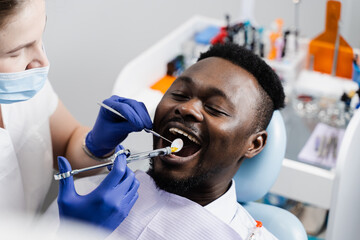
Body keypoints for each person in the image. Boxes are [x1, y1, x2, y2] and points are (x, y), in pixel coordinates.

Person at [55, 42, 285, 239]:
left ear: (254, 144)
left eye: (215, 108)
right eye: (179, 95)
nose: (187, 108)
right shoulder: (92, 196)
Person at [0, 0, 152, 231]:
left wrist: (94, 147)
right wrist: (75, 232)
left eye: (40, 37)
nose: (43, 62)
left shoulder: (19, 82)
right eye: (16, 52)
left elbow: (68, 140)